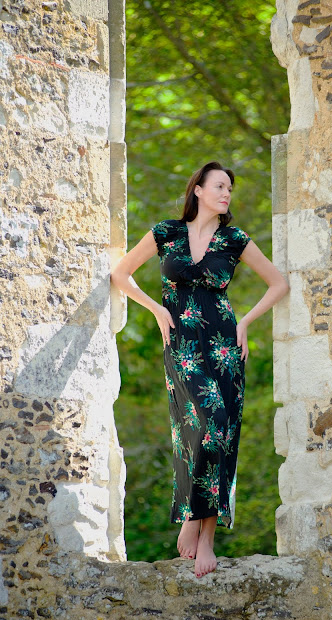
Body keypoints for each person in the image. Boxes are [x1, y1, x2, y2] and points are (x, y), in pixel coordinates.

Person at [111, 161, 289, 578]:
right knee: (202, 429)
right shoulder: (165, 233)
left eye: (230, 188)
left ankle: (203, 532)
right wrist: (156, 309)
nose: (227, 194)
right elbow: (121, 274)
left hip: (225, 347)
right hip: (182, 347)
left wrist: (245, 321)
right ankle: (194, 518)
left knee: (221, 431)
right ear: (199, 191)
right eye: (220, 186)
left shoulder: (234, 239)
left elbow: (278, 284)